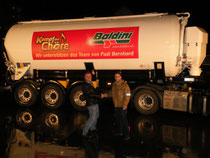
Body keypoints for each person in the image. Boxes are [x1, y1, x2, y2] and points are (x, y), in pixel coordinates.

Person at [102, 71, 131, 140]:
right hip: (116, 105)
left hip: (122, 106)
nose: (116, 78)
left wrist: (125, 104)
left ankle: (127, 135)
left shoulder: (124, 85)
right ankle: (119, 132)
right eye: (115, 76)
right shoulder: (114, 85)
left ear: (121, 77)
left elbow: (127, 95)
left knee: (124, 120)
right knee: (118, 120)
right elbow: (111, 94)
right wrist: (104, 95)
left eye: (118, 76)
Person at [82, 71, 101, 137]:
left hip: (95, 102)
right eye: (87, 76)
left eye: (90, 76)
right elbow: (90, 94)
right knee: (92, 118)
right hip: (91, 104)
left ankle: (93, 128)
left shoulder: (90, 83)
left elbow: (94, 91)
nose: (89, 77)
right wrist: (99, 96)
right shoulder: (85, 85)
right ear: (84, 77)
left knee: (96, 116)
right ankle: (84, 132)